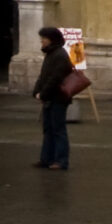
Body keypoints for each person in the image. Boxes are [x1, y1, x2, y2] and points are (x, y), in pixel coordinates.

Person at [32, 24, 74, 170]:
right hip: (50, 97)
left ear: (52, 39)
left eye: (44, 38)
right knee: (48, 129)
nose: (42, 41)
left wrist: (42, 93)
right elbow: (43, 75)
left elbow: (55, 78)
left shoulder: (60, 55)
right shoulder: (51, 54)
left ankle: (61, 160)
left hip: (58, 98)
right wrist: (37, 90)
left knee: (58, 129)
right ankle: (46, 159)